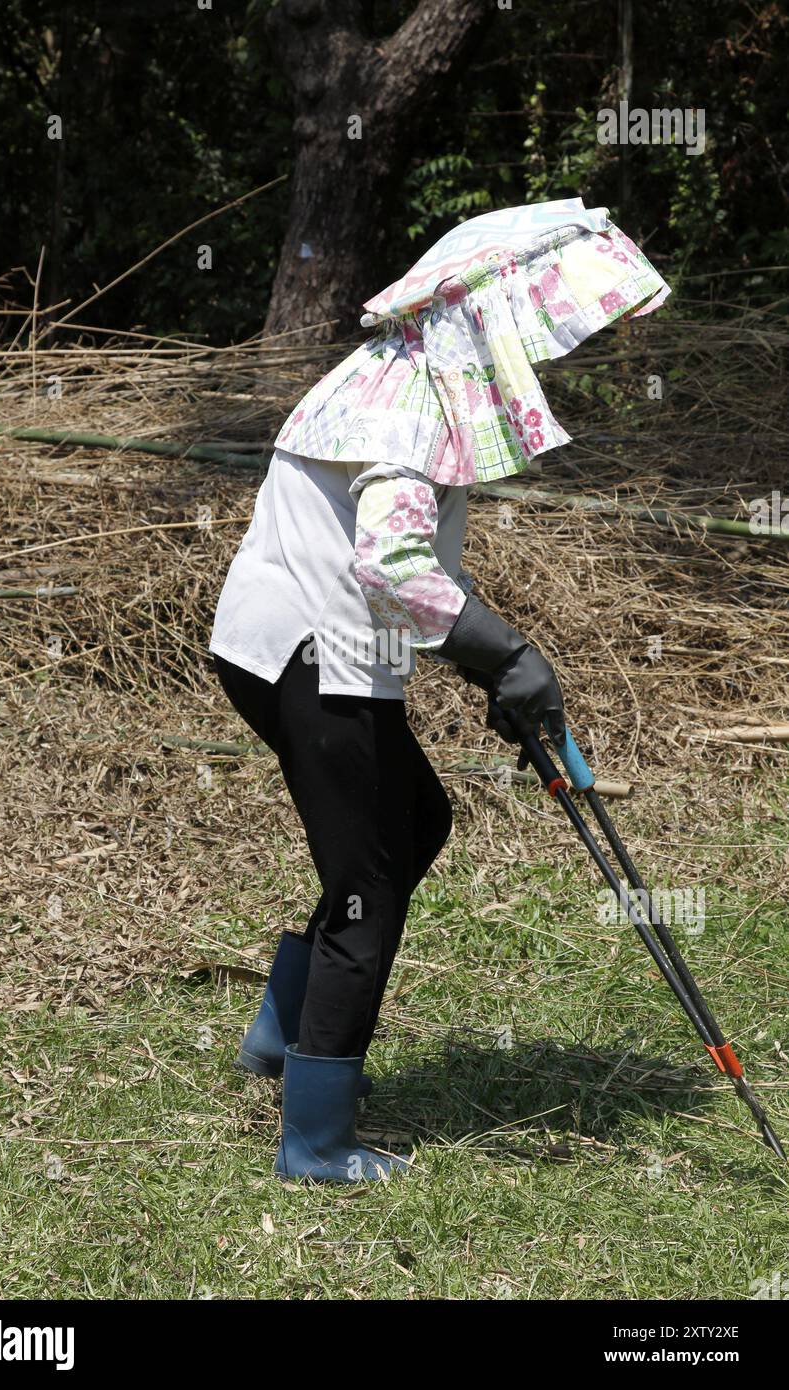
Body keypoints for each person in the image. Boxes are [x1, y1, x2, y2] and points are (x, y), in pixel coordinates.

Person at [211, 197, 670, 1183]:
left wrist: (490, 660)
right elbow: (390, 564)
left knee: (412, 819)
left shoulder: (394, 374)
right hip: (309, 653)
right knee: (367, 887)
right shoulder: (408, 402)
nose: (551, 356)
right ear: (490, 320)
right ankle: (315, 1140)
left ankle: (280, 1037)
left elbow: (390, 563)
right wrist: (503, 655)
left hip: (284, 643)